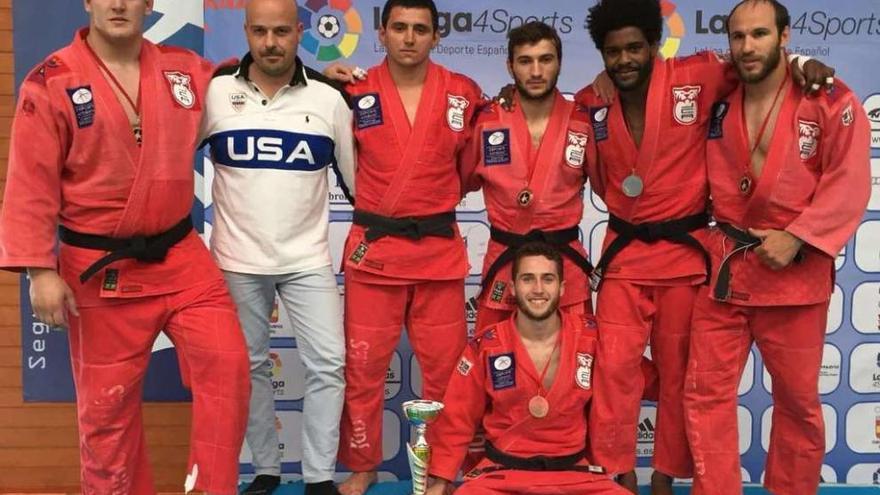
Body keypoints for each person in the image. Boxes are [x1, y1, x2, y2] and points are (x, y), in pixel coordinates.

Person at [575, 1, 836, 492]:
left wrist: (800, 61)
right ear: (602, 54)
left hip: (685, 255)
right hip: (624, 255)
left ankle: (666, 475)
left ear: (655, 45)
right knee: (612, 368)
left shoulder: (698, 76)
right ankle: (618, 471)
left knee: (679, 376)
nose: (625, 58)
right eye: (614, 51)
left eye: (635, 47)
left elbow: (756, 63)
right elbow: (542, 117)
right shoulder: (592, 99)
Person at [0, 1, 250, 494]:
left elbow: (247, 77)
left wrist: (317, 75)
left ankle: (211, 489)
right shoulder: (50, 81)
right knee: (107, 419)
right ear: (89, 1)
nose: (118, 4)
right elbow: (30, 182)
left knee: (229, 366)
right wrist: (38, 270)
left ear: (150, 4)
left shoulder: (182, 70)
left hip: (180, 259)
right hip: (99, 270)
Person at [682, 1, 870, 494]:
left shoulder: (828, 99)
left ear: (784, 37)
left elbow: (849, 181)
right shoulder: (719, 90)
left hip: (795, 274)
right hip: (727, 268)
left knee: (798, 404)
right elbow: (655, 78)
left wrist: (800, 236)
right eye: (739, 36)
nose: (747, 46)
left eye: (760, 34)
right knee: (705, 398)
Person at [199, 0, 355, 494]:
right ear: (245, 31)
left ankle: (319, 476)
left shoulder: (330, 99)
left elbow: (357, 185)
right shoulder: (216, 93)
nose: (271, 42)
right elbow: (166, 156)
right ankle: (266, 468)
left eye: (282, 31)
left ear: (300, 31)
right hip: (236, 260)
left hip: (307, 260)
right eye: (261, 31)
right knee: (248, 367)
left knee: (329, 364)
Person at [332, 1, 482, 493]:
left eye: (421, 29)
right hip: (375, 253)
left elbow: (469, 171)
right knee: (364, 368)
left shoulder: (463, 93)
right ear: (382, 33)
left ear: (437, 36)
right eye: (400, 28)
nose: (410, 38)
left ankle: (443, 470)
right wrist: (318, 74)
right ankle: (363, 464)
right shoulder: (352, 90)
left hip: (436, 250)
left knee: (446, 372)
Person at [424, 242, 629, 495]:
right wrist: (441, 479)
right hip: (501, 475)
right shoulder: (487, 346)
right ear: (513, 287)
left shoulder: (591, 337)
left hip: (576, 475)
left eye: (548, 279)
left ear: (562, 288)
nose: (538, 289)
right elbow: (458, 416)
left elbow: (629, 374)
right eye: (528, 279)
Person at [459, 21, 593, 336]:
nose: (535, 71)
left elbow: (609, 182)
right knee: (492, 360)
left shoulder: (583, 122)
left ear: (559, 62)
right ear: (510, 66)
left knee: (577, 358)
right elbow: (456, 182)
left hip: (565, 266)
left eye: (545, 60)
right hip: (505, 260)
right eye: (525, 61)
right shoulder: (487, 121)